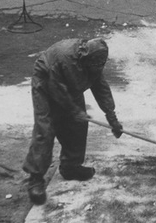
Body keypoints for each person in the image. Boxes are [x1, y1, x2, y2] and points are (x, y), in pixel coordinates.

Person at [22, 38, 124, 205]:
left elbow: (101, 88)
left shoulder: (94, 62)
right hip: (47, 79)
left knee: (78, 124)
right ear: (85, 59)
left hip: (69, 85)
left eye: (100, 66)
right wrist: (75, 110)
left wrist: (112, 118)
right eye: (94, 65)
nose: (97, 69)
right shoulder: (66, 59)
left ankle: (70, 166)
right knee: (45, 128)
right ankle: (35, 178)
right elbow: (56, 89)